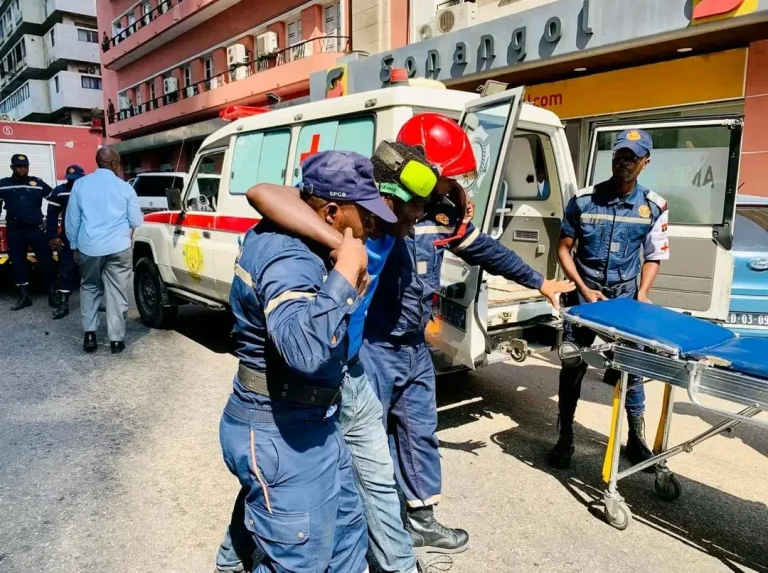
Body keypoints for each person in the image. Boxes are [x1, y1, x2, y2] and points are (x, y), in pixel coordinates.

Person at [243, 114, 574, 556]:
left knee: (419, 431)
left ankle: (418, 521)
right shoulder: (368, 209)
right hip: (370, 347)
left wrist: (539, 281)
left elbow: (483, 248)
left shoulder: (436, 211)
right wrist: (340, 244)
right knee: (365, 448)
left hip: (414, 345)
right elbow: (265, 194)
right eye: (449, 178)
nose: (452, 190)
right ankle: (363, 537)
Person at [216, 141, 437, 573]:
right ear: (333, 211)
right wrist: (342, 272)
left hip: (317, 416)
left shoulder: (324, 234)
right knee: (299, 554)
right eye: (367, 213)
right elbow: (302, 351)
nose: (375, 224)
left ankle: (233, 556)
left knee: (344, 535)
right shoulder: (288, 256)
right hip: (281, 421)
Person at [549, 129, 670, 471]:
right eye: (620, 155)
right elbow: (563, 249)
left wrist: (643, 293)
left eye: (632, 157)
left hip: (625, 300)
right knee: (572, 365)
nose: (624, 162)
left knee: (632, 369)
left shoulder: (654, 206)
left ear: (645, 163)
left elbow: (653, 255)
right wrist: (583, 288)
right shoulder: (584, 200)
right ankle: (565, 437)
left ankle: (636, 439)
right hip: (584, 297)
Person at [65, 147, 143, 354]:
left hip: (89, 247)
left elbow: (73, 220)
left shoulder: (80, 185)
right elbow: (136, 220)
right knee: (117, 291)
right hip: (119, 247)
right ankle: (116, 340)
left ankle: (89, 335)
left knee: (90, 287)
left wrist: (73, 245)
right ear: (115, 164)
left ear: (98, 162)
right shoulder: (125, 188)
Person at [0, 153, 56, 311]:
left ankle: (52, 294)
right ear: (12, 167)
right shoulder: (3, 184)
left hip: (36, 230)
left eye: (25, 166)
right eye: (19, 166)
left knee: (47, 261)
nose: (22, 169)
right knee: (18, 263)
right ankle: (25, 296)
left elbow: (54, 199)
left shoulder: (37, 183)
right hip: (15, 231)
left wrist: (50, 220)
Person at [48, 164, 85, 320]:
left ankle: (95, 302)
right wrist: (53, 236)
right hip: (67, 237)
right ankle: (63, 304)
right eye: (71, 179)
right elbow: (51, 215)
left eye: (76, 179)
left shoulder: (88, 190)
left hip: (89, 237)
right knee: (66, 270)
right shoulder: (60, 191)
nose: (73, 182)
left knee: (91, 270)